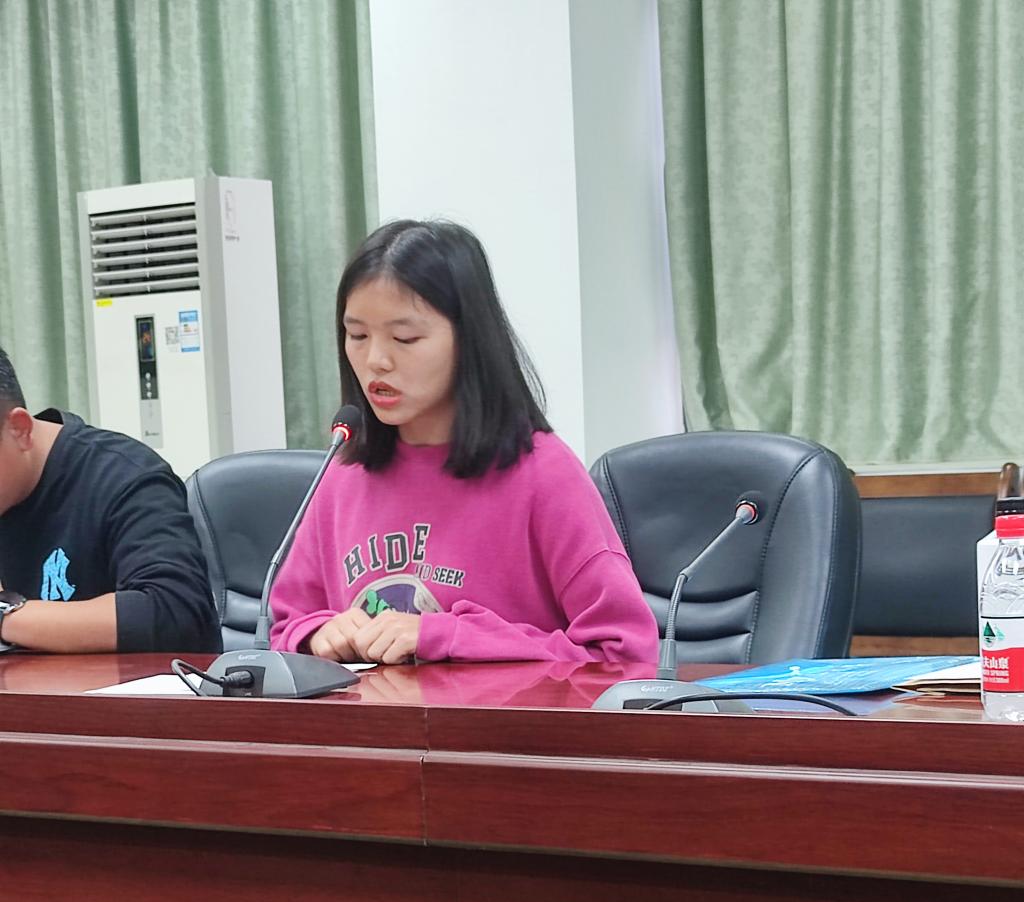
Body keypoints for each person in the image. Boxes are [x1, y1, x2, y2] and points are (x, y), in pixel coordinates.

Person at [269, 219, 658, 666]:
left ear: (468, 339)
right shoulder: (343, 473)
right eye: (357, 335)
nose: (376, 360)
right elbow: (284, 626)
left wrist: (452, 636)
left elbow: (626, 653)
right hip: (375, 712)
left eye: (405, 338)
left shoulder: (543, 474)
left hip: (501, 715)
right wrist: (316, 634)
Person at [0, 346, 221, 654]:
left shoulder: (124, 475)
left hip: (130, 684)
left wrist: (6, 616)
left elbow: (173, 611)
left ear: (19, 429)